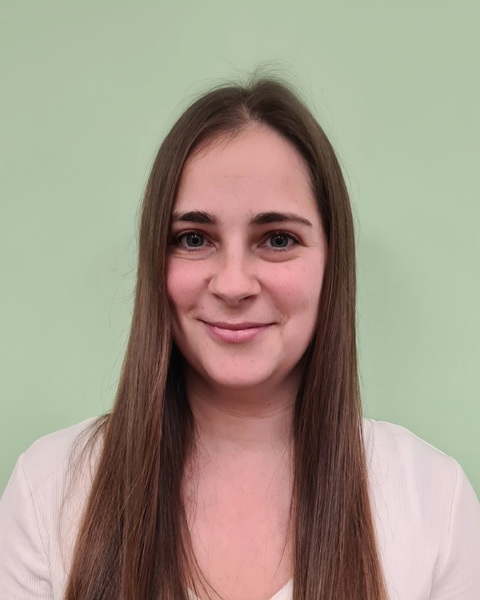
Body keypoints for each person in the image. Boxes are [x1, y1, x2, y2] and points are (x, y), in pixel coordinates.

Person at [1, 77, 479, 600]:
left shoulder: (436, 502)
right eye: (193, 239)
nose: (232, 285)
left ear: (332, 262)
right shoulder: (48, 489)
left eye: (278, 239)